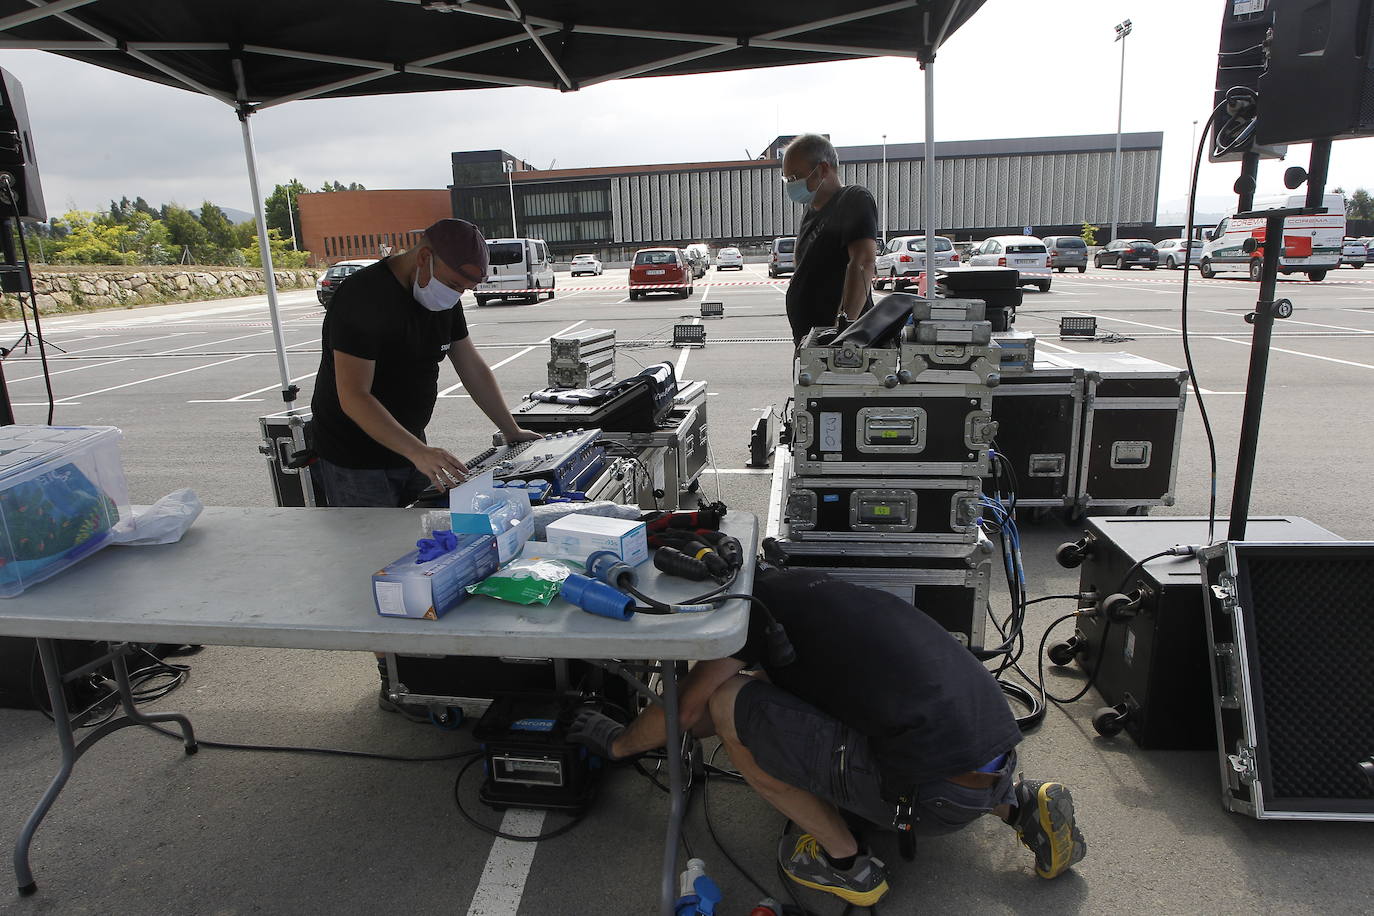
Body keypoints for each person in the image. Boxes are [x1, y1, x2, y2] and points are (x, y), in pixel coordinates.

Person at [569, 567, 1087, 907]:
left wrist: (619, 742)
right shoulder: (806, 599)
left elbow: (693, 710)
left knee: (730, 705)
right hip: (992, 748)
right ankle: (1022, 807)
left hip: (931, 800)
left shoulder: (749, 623)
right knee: (890, 721)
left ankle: (846, 863)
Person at [309, 218, 541, 717]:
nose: (456, 295)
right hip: (355, 454)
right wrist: (418, 452)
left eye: (467, 288)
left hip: (408, 444)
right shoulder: (362, 301)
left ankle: (431, 663)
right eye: (455, 285)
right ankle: (396, 681)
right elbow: (354, 396)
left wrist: (511, 428)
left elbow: (470, 364)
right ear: (423, 258)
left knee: (423, 554)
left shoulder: (441, 299)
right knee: (373, 567)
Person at [781, 134, 879, 346]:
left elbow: (863, 262)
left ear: (823, 169)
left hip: (839, 347)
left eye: (795, 177)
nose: (791, 185)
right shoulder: (810, 213)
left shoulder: (853, 199)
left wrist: (840, 332)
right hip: (810, 342)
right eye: (787, 180)